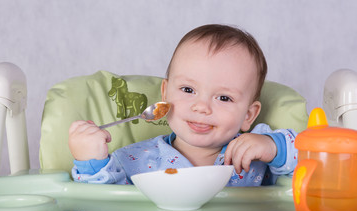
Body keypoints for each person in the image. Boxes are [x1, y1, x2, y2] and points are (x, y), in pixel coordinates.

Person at [69, 24, 297, 186]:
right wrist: (91, 161)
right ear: (165, 95)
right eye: (188, 90)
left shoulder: (255, 151)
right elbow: (102, 210)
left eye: (223, 98)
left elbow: (315, 161)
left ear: (249, 115)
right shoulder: (133, 160)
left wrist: (274, 146)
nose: (202, 107)